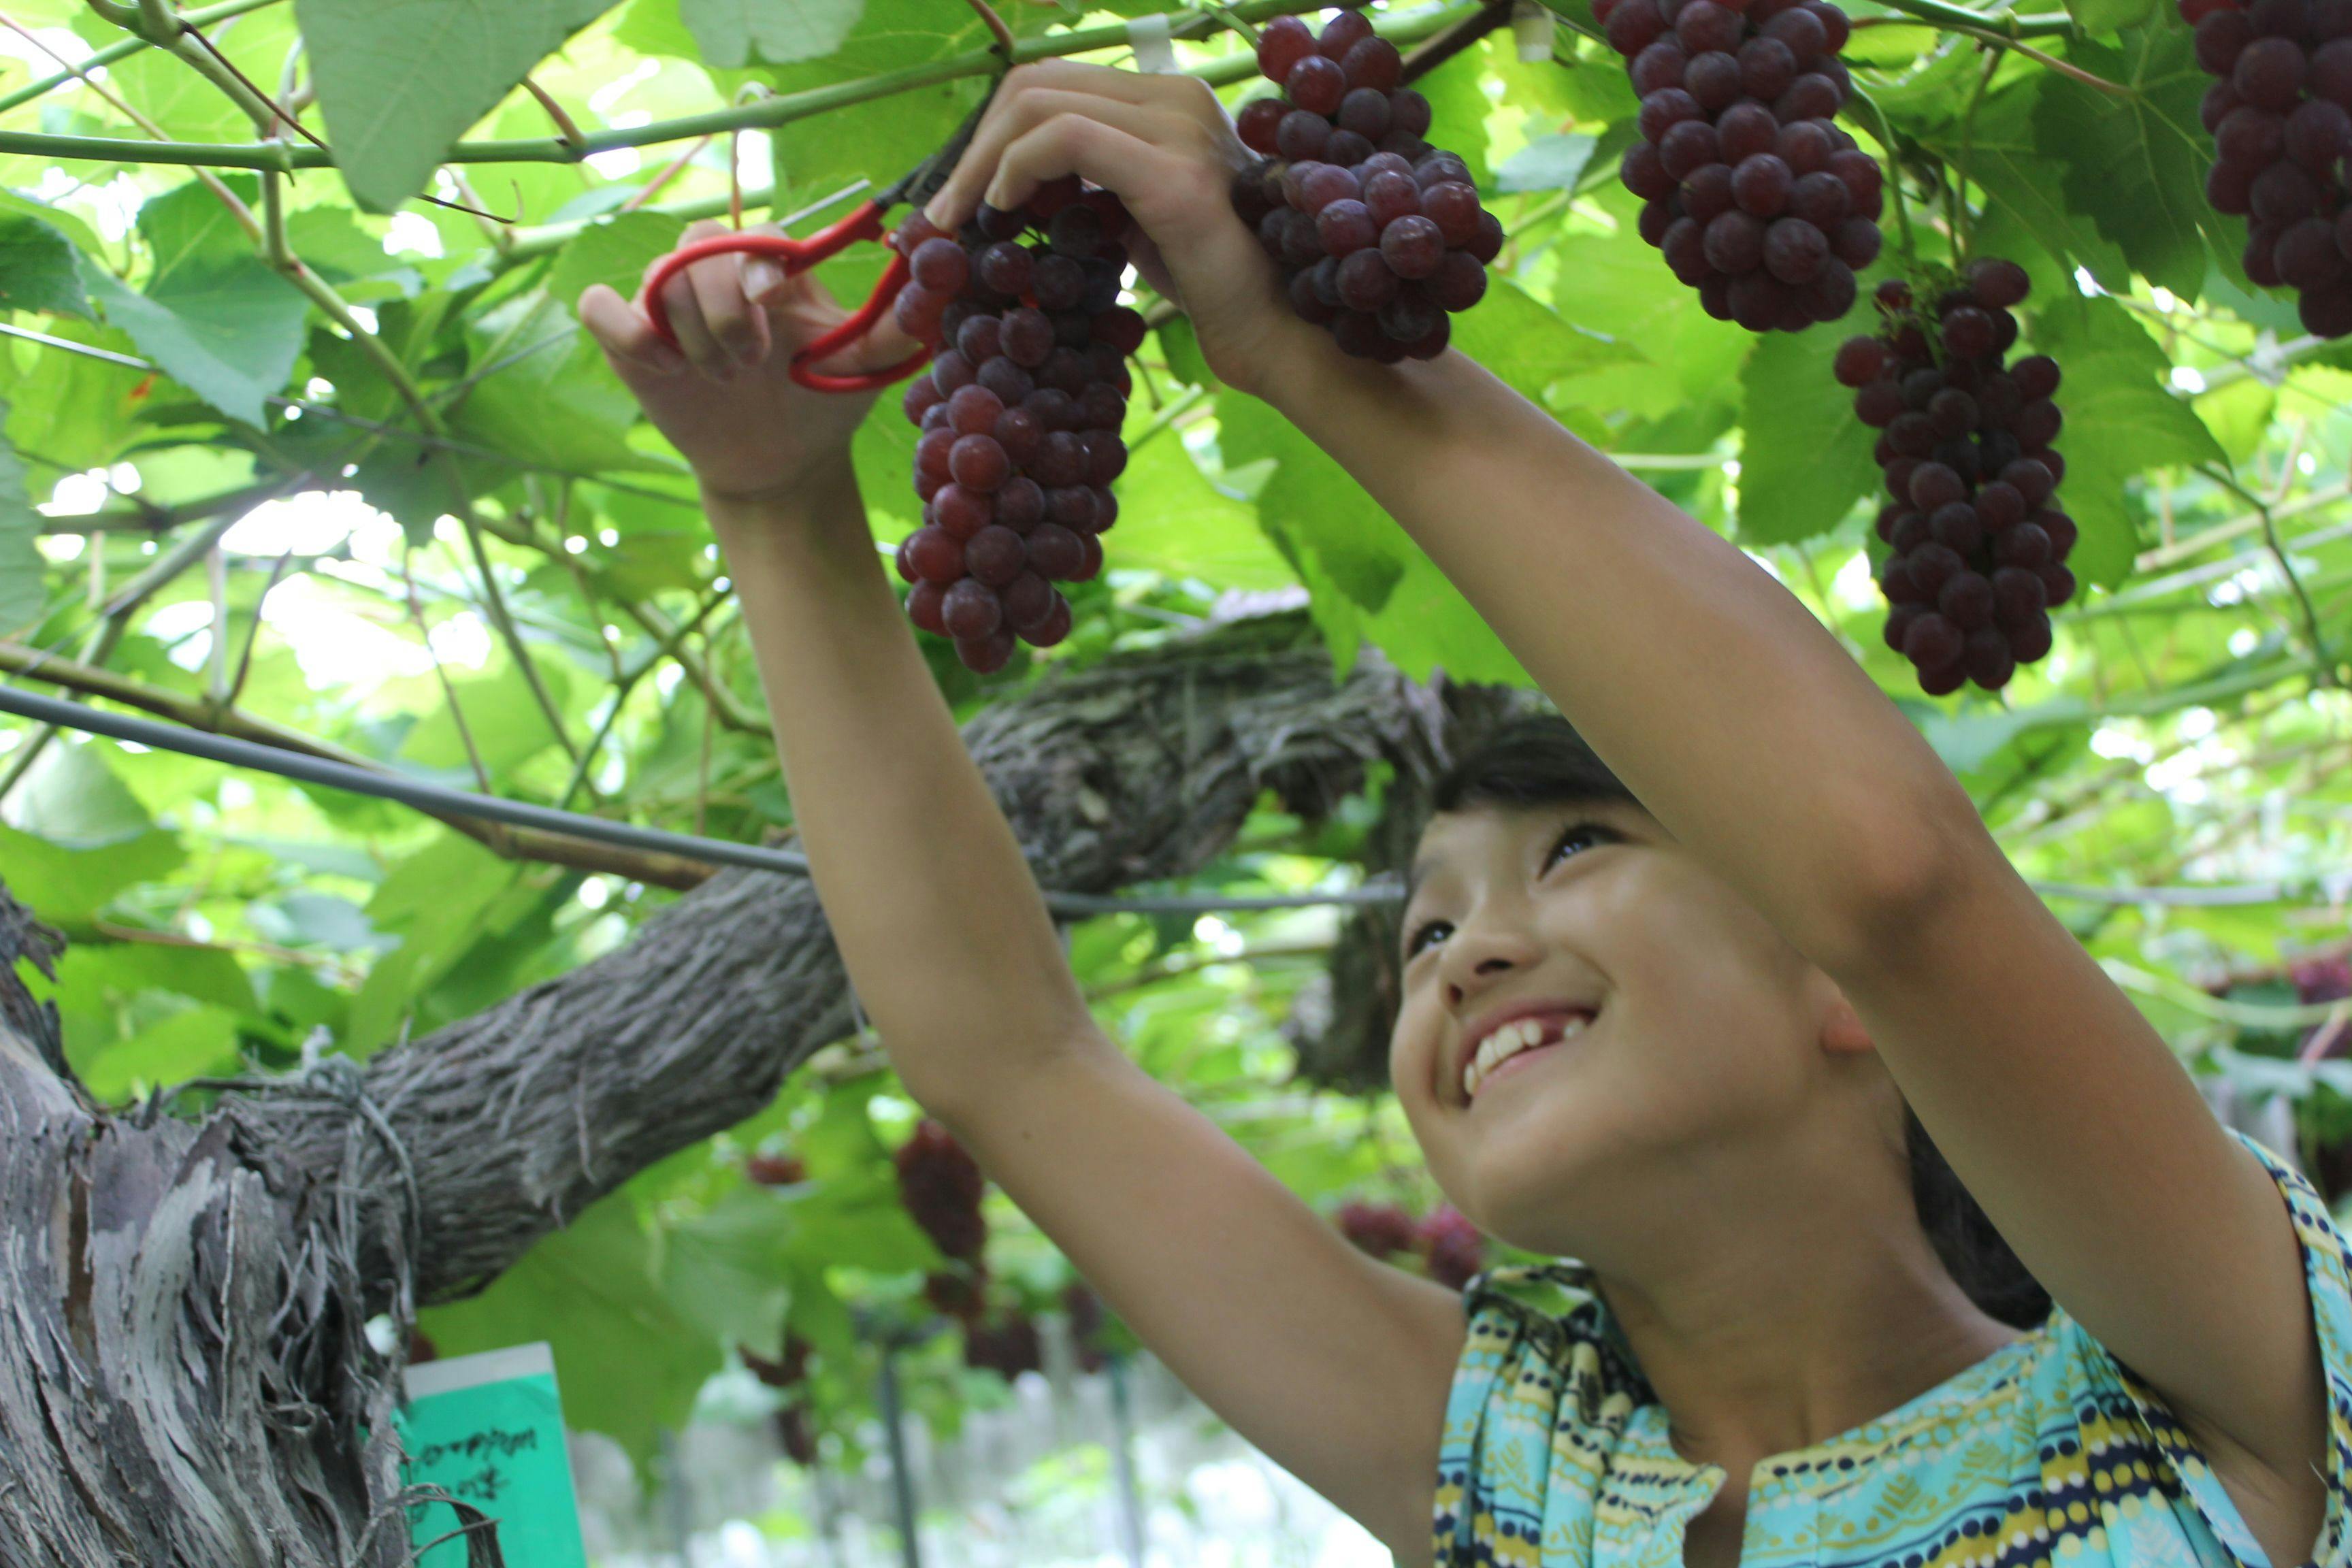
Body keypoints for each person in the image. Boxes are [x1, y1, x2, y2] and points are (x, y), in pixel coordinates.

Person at [580, 60, 2349, 1568]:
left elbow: (1892, 876)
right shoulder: (1517, 1485)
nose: (1464, 953)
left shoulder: (2206, 1388)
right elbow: (1006, 1057)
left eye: (1578, 850)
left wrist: (1307, 353)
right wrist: (777, 510)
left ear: (1839, 994)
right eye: (1424, 932)